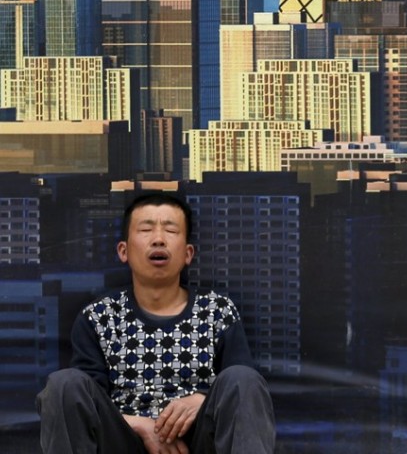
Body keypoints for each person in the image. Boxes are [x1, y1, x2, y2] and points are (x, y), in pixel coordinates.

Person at [36, 193, 276, 454]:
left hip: (197, 444)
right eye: (146, 229)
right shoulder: (99, 316)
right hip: (123, 442)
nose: (159, 239)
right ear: (123, 251)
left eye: (171, 230)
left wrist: (201, 399)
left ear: (188, 253)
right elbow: (87, 403)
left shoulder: (218, 311)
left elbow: (242, 392)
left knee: (244, 379)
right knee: (64, 385)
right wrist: (141, 425)